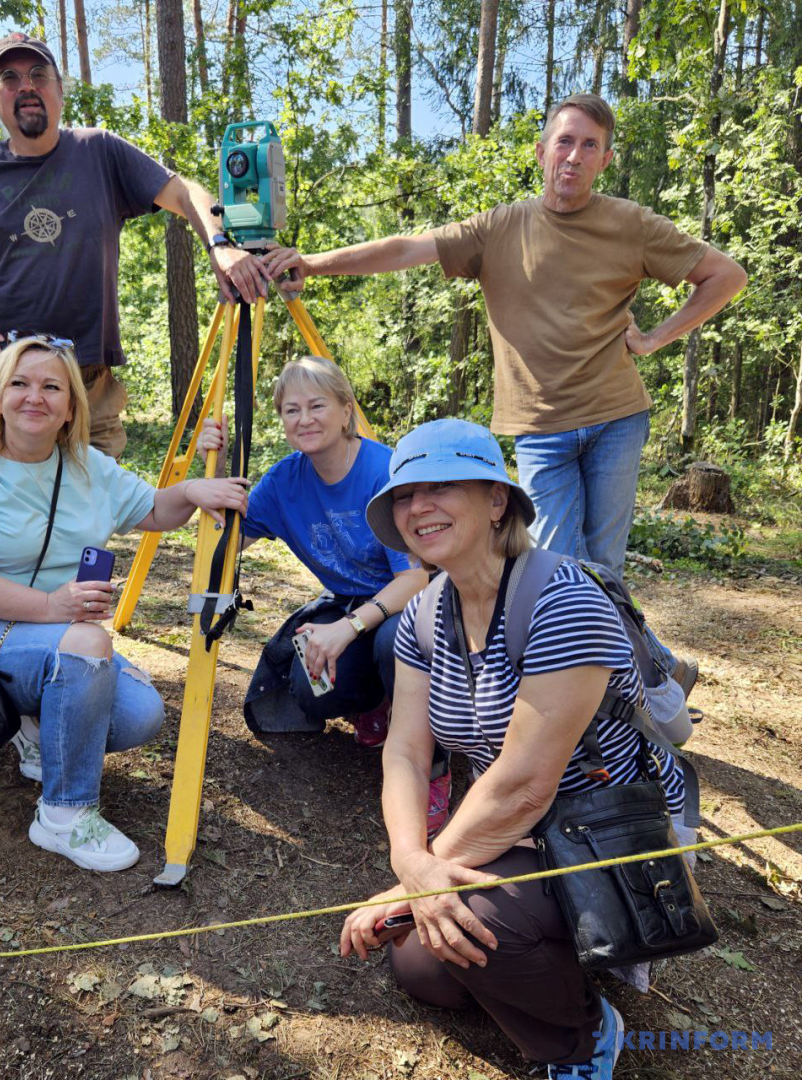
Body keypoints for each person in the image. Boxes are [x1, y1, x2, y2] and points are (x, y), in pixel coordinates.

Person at [262, 93, 747, 585]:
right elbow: (407, 248)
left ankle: (622, 663)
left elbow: (725, 275)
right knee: (556, 563)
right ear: (542, 151)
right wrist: (313, 263)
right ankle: (644, 660)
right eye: (564, 142)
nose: (574, 155)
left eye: (589, 145)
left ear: (606, 159)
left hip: (616, 418)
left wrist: (654, 340)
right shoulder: (499, 227)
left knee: (604, 563)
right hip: (540, 428)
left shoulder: (632, 224)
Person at [338, 418, 694, 1079]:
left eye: (441, 487)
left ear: (497, 501)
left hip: (612, 829)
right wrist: (411, 861)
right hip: (525, 830)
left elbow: (525, 784)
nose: (419, 507)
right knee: (425, 965)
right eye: (405, 496)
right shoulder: (424, 610)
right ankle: (552, 959)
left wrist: (406, 887)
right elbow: (407, 753)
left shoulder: (563, 600)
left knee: (472, 927)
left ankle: (583, 1041)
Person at [0, 335, 249, 871]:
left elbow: (155, 512)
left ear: (72, 407)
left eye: (53, 387)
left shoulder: (89, 466)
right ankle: (64, 814)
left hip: (52, 637)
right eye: (20, 384)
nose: (35, 397)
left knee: (140, 715)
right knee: (88, 640)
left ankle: (34, 729)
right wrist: (54, 606)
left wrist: (189, 493)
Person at [0, 31, 270, 459]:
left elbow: (184, 193)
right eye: (9, 77)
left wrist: (220, 245)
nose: (26, 86)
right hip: (6, 381)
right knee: (8, 511)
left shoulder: (99, 152)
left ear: (59, 89)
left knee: (92, 511)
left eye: (38, 74)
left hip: (88, 382)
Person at [198, 357, 450, 832]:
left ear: (344, 409)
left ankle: (432, 768)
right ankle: (375, 706)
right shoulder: (284, 482)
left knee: (393, 640)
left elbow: (417, 579)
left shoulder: (384, 471)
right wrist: (213, 479)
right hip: (350, 607)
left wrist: (346, 629)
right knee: (310, 691)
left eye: (317, 405)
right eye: (291, 410)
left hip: (418, 606)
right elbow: (220, 549)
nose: (305, 419)